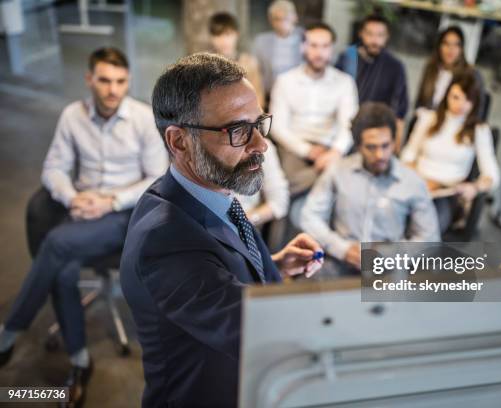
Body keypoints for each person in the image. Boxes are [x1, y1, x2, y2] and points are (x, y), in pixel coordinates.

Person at [120, 52, 324, 407]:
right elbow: (269, 332)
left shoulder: (207, 190)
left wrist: (272, 266)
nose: (260, 144)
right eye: (237, 131)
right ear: (179, 141)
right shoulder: (165, 242)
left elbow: (212, 274)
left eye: (259, 123)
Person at [0, 47, 168, 405]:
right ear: (90, 79)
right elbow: (53, 169)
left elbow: (157, 179)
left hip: (126, 214)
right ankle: (80, 361)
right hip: (83, 209)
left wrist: (109, 201)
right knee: (63, 271)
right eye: (104, 80)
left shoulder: (141, 119)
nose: (113, 90)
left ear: (128, 81)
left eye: (120, 81)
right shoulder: (72, 116)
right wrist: (73, 197)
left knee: (57, 245)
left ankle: (9, 331)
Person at [301, 102, 440, 277]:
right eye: (371, 147)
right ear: (358, 145)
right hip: (341, 261)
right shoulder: (337, 171)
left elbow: (430, 239)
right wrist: (341, 248)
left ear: (394, 142)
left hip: (390, 267)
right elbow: (309, 216)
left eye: (385, 145)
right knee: (313, 283)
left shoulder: (412, 182)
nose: (380, 155)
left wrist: (392, 256)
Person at [401, 71, 500, 233]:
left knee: (425, 229)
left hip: (446, 193)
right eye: (456, 97)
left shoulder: (479, 130)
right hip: (417, 184)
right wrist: (419, 179)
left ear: (475, 103)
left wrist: (474, 187)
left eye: (468, 100)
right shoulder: (428, 119)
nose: (461, 105)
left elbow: (491, 175)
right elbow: (408, 155)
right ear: (447, 94)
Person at [270, 22, 358, 195]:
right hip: (294, 147)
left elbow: (349, 124)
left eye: (325, 46)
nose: (319, 53)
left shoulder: (345, 82)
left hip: (330, 147)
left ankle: (279, 196)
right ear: (303, 47)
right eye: (314, 45)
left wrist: (335, 152)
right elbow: (277, 127)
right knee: (328, 183)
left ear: (332, 49)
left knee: (286, 188)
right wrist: (307, 150)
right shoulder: (285, 81)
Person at [336, 14, 409, 152]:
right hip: (344, 128)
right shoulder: (347, 58)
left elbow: (399, 111)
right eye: (369, 34)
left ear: (387, 36)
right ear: (361, 34)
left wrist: (396, 147)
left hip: (376, 135)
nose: (374, 40)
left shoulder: (395, 67)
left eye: (380, 35)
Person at [415, 26, 487, 120]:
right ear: (439, 46)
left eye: (456, 45)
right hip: (427, 121)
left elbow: (477, 113)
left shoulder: (471, 75)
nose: (450, 49)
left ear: (461, 49)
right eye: (446, 44)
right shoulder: (431, 68)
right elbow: (420, 102)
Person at [209, 11, 265, 107]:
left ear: (237, 35)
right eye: (218, 35)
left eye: (228, 34)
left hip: (244, 118)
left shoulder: (249, 63)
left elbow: (258, 100)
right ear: (211, 38)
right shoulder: (205, 64)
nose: (224, 40)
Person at [252, 0, 303, 98]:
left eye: (286, 18)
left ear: (294, 17)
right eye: (277, 19)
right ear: (270, 20)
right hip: (271, 94)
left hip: (300, 95)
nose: (282, 23)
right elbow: (257, 72)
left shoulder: (305, 38)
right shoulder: (261, 41)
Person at [235, 139, 289, 228]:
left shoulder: (264, 147)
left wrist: (246, 222)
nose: (263, 145)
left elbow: (279, 202)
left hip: (248, 224)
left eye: (257, 126)